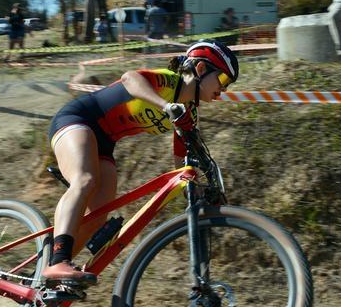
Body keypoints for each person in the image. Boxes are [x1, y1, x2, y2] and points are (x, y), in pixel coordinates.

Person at [42, 39, 239, 283]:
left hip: (105, 142)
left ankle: (49, 278)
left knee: (97, 217)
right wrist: (166, 106)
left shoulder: (189, 113)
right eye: (222, 80)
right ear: (200, 69)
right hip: (77, 120)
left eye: (228, 85)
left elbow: (182, 163)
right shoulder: (169, 80)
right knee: (85, 180)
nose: (224, 90)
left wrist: (201, 189)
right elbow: (129, 79)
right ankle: (57, 261)